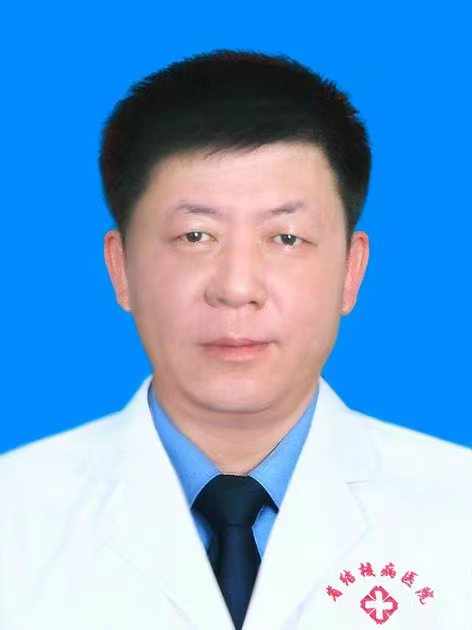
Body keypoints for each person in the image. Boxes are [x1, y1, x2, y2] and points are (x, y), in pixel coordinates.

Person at [0, 49, 470, 630]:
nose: (237, 287)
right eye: (195, 235)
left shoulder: (461, 512)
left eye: (286, 237)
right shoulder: (13, 518)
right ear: (121, 268)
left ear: (351, 270)